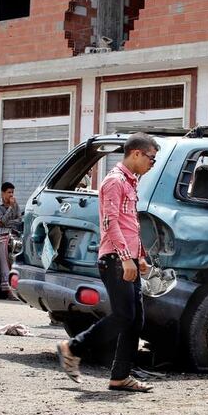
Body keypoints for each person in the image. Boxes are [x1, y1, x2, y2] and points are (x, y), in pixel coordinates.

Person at [56, 133, 160, 392]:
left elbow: (131, 224)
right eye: (151, 159)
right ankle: (73, 347)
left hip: (128, 259)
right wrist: (126, 259)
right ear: (136, 153)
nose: (152, 164)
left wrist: (141, 256)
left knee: (135, 320)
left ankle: (120, 377)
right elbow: (110, 223)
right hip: (115, 259)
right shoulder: (114, 181)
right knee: (124, 316)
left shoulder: (130, 182)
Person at [0, 182, 22, 298]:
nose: (11, 195)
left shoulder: (16, 204)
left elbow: (19, 220)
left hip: (14, 235)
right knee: (5, 263)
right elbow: (2, 221)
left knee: (14, 262)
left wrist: (5, 222)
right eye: (9, 192)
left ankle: (15, 289)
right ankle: (8, 290)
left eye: (12, 192)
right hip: (2, 236)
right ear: (3, 193)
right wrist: (10, 208)